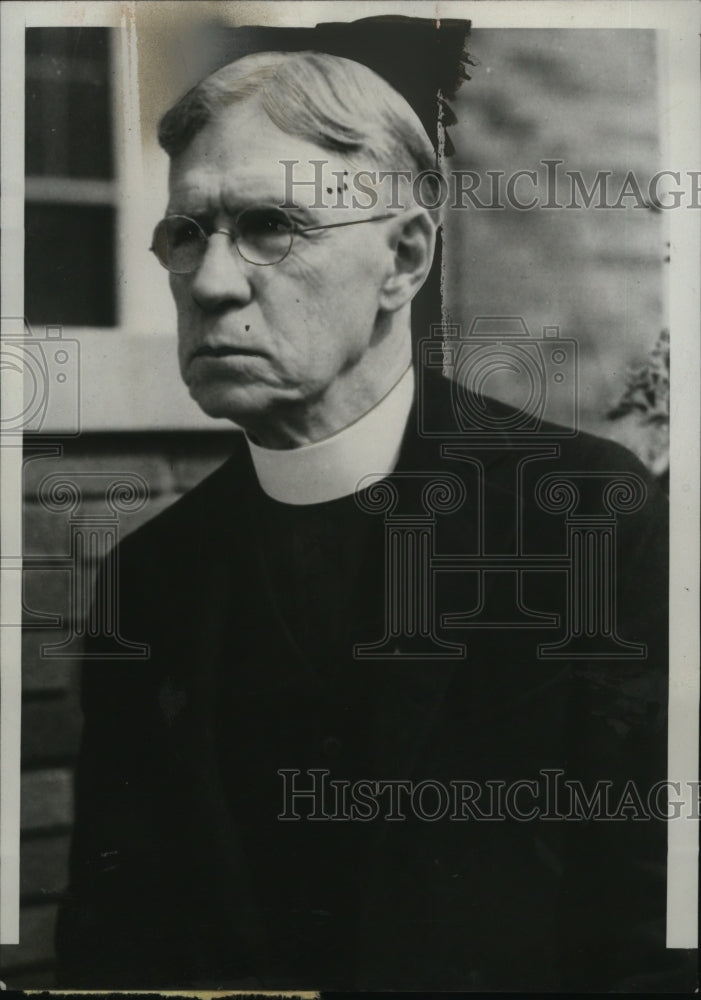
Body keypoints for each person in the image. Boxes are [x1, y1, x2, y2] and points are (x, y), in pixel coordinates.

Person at [55, 48, 683, 991]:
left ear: (404, 257)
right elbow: (113, 945)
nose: (212, 283)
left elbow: (651, 930)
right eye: (187, 234)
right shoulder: (148, 578)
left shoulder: (585, 518)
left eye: (270, 227)